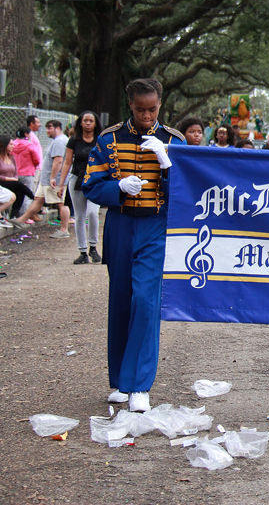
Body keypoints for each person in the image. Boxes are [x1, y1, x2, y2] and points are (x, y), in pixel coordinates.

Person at [82, 78, 186, 413]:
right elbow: (90, 185)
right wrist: (117, 188)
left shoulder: (174, 140)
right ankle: (120, 381)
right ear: (130, 104)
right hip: (121, 225)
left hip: (156, 226)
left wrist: (168, 164)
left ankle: (139, 384)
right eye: (140, 109)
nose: (146, 115)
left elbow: (187, 193)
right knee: (122, 301)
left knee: (145, 299)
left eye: (152, 109)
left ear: (160, 104)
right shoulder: (109, 138)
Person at [57, 111, 104, 264]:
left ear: (96, 123)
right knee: (79, 216)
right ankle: (82, 251)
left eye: (91, 120)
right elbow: (67, 162)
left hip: (95, 180)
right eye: (85, 121)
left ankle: (93, 247)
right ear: (81, 123)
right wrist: (61, 184)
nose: (88, 123)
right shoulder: (74, 141)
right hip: (77, 179)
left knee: (92, 213)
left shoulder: (100, 140)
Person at [13, 120, 71, 236]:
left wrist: (52, 177)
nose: (47, 131)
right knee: (38, 199)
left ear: (57, 128)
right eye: (47, 128)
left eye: (50, 128)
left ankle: (64, 230)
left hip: (54, 180)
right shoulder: (58, 141)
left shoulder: (60, 141)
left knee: (61, 203)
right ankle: (20, 220)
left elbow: (58, 160)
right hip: (47, 179)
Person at [0, 136, 34, 220]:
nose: (13, 146)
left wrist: (14, 180)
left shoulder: (12, 158)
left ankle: (13, 216)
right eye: (11, 144)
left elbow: (16, 173)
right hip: (2, 183)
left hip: (12, 183)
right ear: (4, 145)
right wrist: (11, 179)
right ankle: (34, 198)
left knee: (20, 190)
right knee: (19, 185)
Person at [10, 126, 42, 216]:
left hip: (14, 174)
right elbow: (37, 160)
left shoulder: (12, 144)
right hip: (27, 173)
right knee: (27, 196)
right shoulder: (29, 145)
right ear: (26, 134)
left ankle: (13, 215)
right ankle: (23, 216)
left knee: (15, 195)